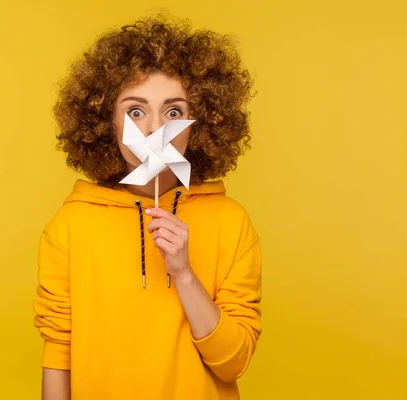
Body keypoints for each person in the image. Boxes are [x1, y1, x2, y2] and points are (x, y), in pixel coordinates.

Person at [33, 16, 262, 400]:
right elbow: (59, 350)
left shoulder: (231, 221)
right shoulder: (70, 224)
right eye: (136, 111)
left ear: (201, 122)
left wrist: (184, 273)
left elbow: (233, 363)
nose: (155, 128)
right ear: (106, 122)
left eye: (173, 112)